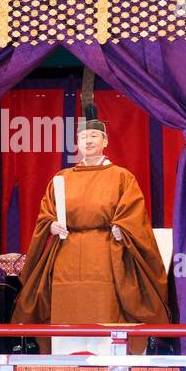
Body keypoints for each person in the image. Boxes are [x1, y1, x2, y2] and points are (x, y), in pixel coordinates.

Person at [12, 118, 168, 352]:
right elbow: (46, 213)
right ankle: (64, 361)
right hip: (67, 251)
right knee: (64, 305)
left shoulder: (121, 177)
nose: (88, 140)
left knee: (106, 304)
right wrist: (51, 224)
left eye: (94, 136)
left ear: (105, 141)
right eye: (83, 137)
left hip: (106, 252)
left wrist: (122, 227)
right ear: (77, 143)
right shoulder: (62, 178)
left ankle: (107, 359)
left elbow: (133, 213)